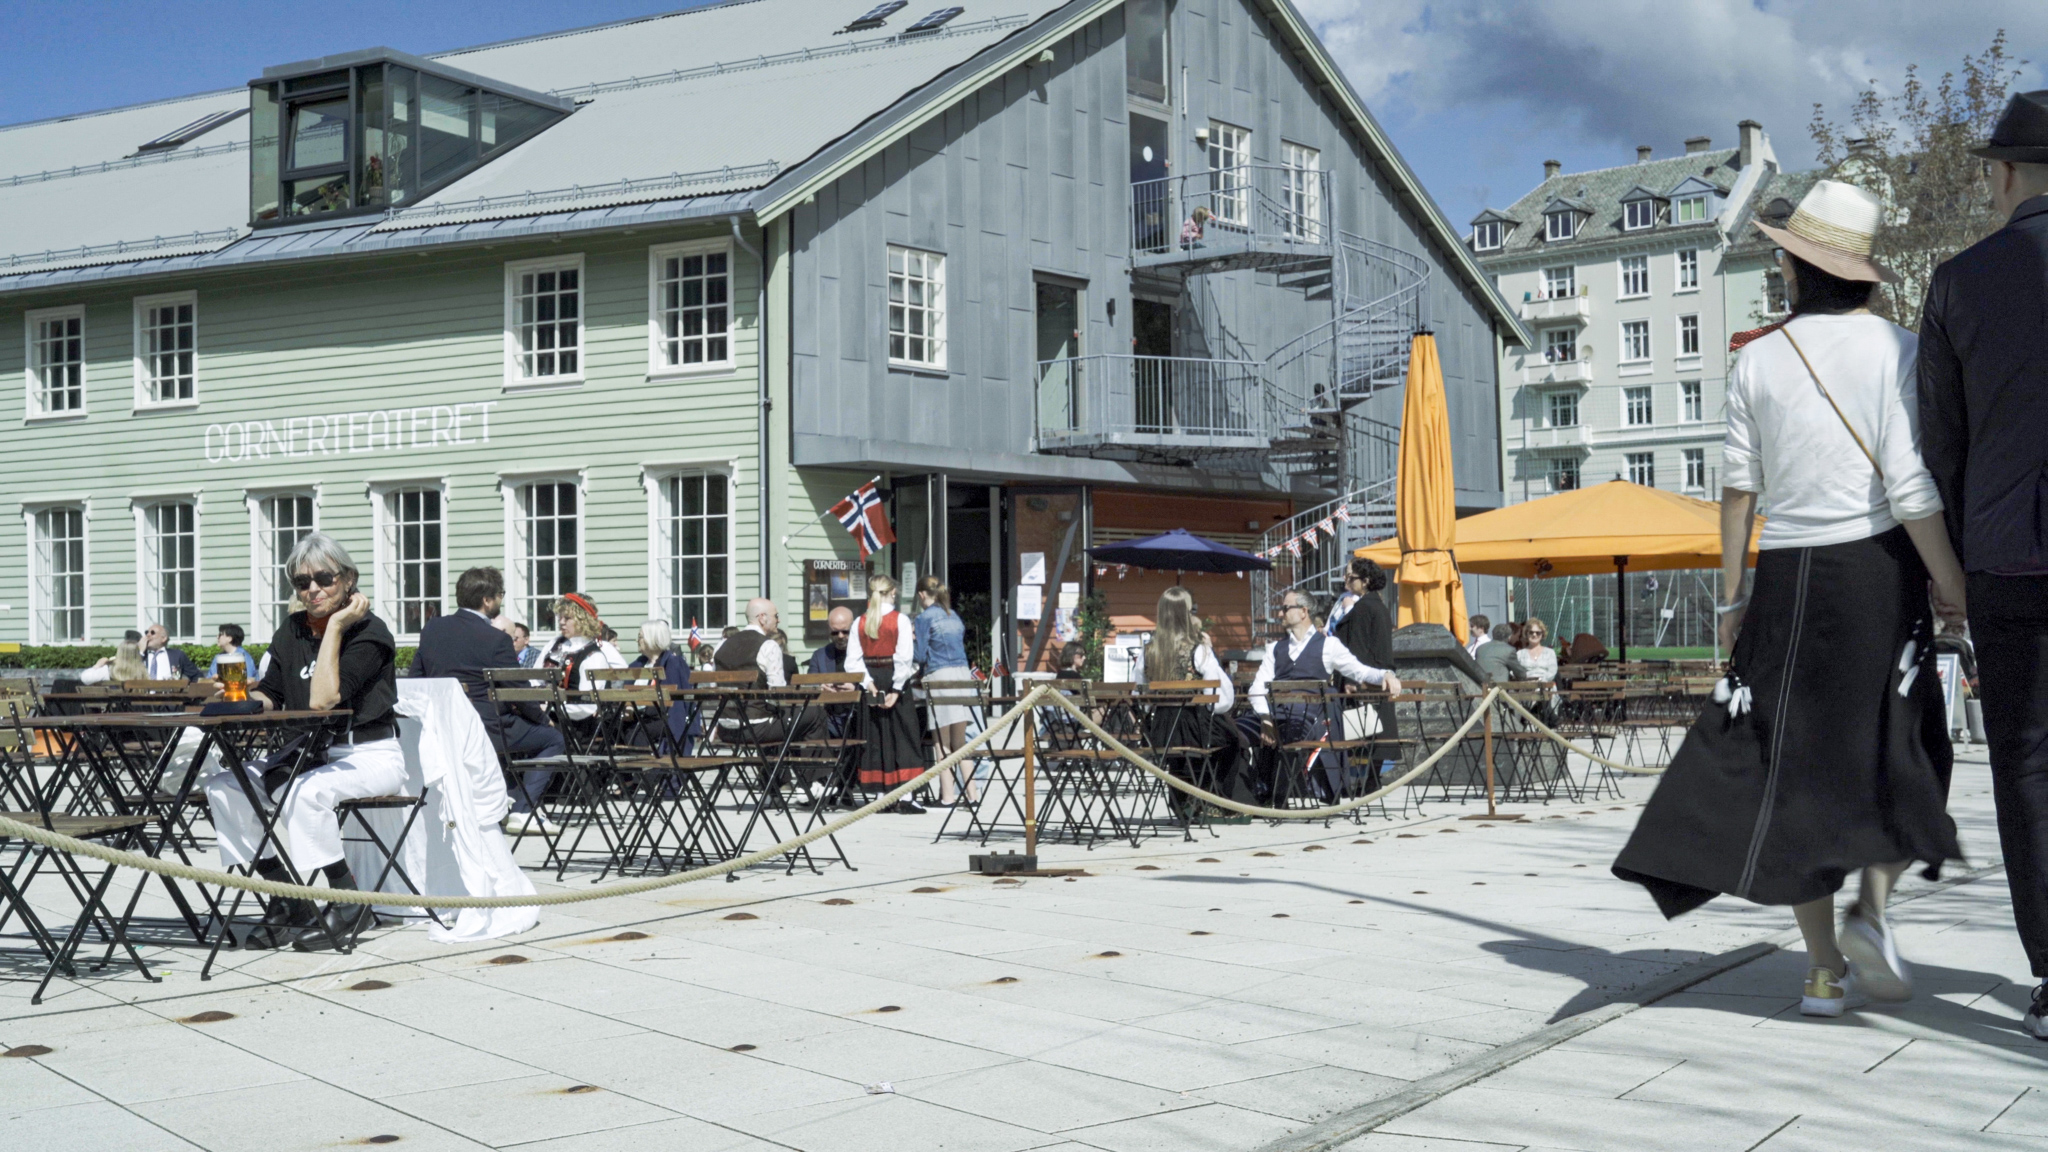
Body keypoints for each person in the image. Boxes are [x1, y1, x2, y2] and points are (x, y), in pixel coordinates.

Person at [1613, 178, 1968, 1019]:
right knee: (1903, 746)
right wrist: (1952, 583)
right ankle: (1871, 912)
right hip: (1878, 570)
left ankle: (1822, 974)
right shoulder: (1899, 349)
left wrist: (1732, 598)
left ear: (1792, 266)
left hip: (1786, 579)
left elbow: (1739, 490)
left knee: (1796, 767)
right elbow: (1911, 486)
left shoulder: (1757, 358)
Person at [1917, 89, 2048, 1039]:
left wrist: (1952, 567)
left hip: (2008, 559)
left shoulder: (1960, 281)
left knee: (2028, 765)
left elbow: (1943, 443)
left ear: (2004, 174)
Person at [202, 532, 404, 953]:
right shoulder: (292, 630)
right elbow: (272, 693)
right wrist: (240, 699)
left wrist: (335, 627)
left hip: (368, 754)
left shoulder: (370, 632)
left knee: (305, 792)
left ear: (348, 579)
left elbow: (324, 699)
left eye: (324, 578)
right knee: (224, 786)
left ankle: (347, 900)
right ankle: (286, 896)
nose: (313, 589)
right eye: (301, 582)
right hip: (306, 753)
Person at [412, 567, 567, 835]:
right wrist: (544, 720)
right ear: (487, 600)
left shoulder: (433, 628)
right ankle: (522, 810)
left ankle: (505, 802)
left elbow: (417, 679)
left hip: (440, 728)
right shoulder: (496, 639)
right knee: (553, 739)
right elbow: (518, 691)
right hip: (485, 729)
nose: (501, 600)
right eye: (500, 595)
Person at [1249, 590, 1400, 802]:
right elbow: (1256, 688)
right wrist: (1265, 718)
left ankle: (1282, 792)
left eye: (1285, 608)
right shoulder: (1274, 648)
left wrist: (1386, 674)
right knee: (1235, 732)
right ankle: (1244, 796)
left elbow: (1360, 671)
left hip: (1308, 718)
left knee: (1292, 729)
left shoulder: (1329, 646)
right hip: (1273, 715)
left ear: (1303, 612)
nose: (1280, 614)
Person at [1140, 587, 1244, 809]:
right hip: (1195, 727)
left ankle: (1182, 800)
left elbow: (1139, 693)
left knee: (1182, 752)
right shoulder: (1199, 650)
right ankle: (1217, 800)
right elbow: (1220, 700)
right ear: (1186, 614)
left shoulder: (1147, 652)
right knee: (1233, 739)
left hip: (1160, 731)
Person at [713, 599, 826, 780]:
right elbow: (778, 695)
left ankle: (775, 782)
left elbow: (715, 687)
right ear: (762, 618)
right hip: (756, 730)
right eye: (776, 616)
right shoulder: (768, 646)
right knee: (813, 713)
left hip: (725, 730)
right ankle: (813, 781)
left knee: (780, 715)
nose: (778, 620)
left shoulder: (721, 646)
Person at [846, 574, 928, 812]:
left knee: (876, 736)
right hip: (893, 679)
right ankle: (906, 796)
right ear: (893, 592)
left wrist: (868, 683)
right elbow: (904, 657)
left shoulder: (860, 621)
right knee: (904, 736)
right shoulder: (899, 619)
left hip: (872, 680)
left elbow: (853, 661)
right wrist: (896, 688)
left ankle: (881, 796)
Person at [1330, 559, 1401, 760]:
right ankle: (1371, 775)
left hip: (1364, 682)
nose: (1346, 581)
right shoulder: (1378, 605)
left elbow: (1357, 646)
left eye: (1351, 578)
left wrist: (1351, 680)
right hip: (1377, 678)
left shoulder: (1363, 608)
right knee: (1374, 739)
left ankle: (1366, 776)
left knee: (1361, 740)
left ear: (1366, 581)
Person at [914, 576, 976, 807]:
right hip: (962, 674)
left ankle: (948, 797)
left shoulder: (924, 618)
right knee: (961, 742)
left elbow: (920, 655)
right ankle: (972, 795)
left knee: (942, 742)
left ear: (922, 594)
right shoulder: (953, 615)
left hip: (940, 675)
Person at [533, 593, 627, 735]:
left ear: (583, 620)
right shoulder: (554, 644)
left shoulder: (595, 654)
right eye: (560, 617)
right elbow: (534, 678)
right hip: (543, 716)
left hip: (573, 725)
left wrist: (550, 708)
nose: (561, 622)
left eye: (567, 618)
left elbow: (586, 706)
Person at [628, 619, 694, 752]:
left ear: (652, 639)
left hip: (664, 718)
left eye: (640, 637)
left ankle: (647, 765)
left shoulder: (673, 663)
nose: (637, 640)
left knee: (637, 732)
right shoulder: (638, 664)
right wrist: (628, 705)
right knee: (611, 726)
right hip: (638, 716)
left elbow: (677, 701)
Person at [805, 606, 860, 738]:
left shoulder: (863, 653)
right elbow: (809, 686)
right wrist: (821, 688)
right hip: (829, 718)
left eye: (845, 631)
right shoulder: (819, 656)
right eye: (835, 632)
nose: (840, 636)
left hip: (858, 716)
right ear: (829, 630)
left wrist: (856, 689)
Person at [81, 631, 147, 685]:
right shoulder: (143, 670)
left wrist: (97, 665)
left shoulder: (109, 670)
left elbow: (85, 678)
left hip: (115, 697)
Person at [1515, 616, 1559, 683]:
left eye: (1538, 633)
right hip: (1526, 686)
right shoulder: (1519, 654)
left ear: (1542, 634)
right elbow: (1514, 671)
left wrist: (1541, 681)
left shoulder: (1550, 652)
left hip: (1545, 686)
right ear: (1526, 634)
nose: (1534, 635)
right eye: (1531, 632)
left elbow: (1552, 671)